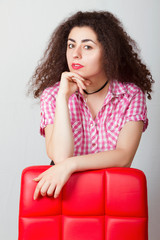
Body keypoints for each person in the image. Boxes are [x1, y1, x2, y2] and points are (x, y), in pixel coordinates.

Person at [28, 11, 154, 200]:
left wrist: (72, 165)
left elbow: (124, 157)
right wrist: (63, 97)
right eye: (71, 45)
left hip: (112, 196)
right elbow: (60, 158)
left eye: (87, 47)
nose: (75, 54)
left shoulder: (130, 95)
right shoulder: (53, 95)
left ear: (108, 53)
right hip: (66, 197)